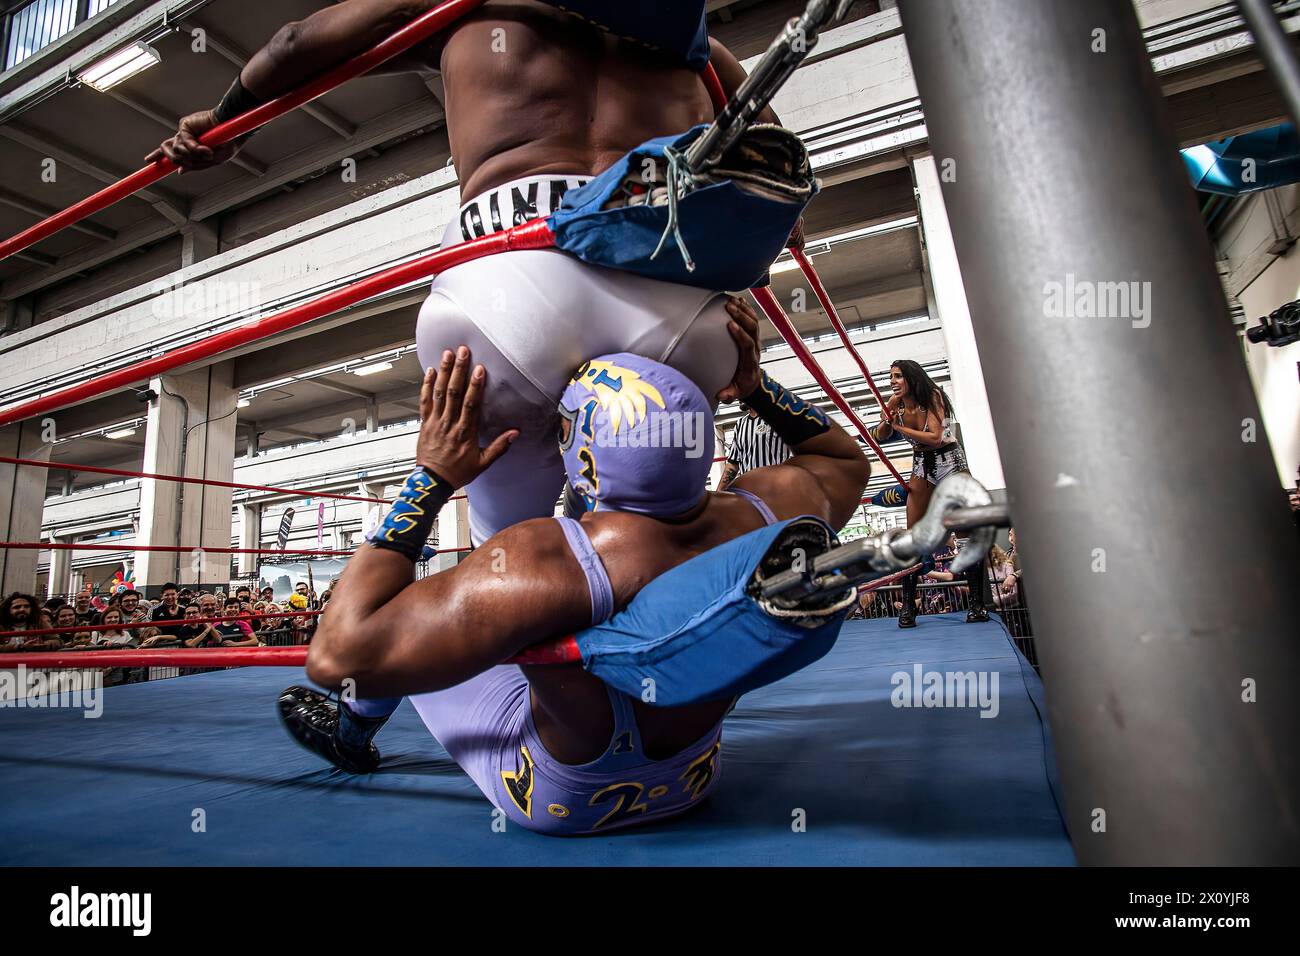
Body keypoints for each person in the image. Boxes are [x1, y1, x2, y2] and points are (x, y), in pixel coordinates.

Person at [149, 0, 801, 548]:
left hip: (507, 281)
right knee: (656, 538)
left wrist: (228, 121)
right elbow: (773, 153)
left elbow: (295, 43)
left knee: (508, 544)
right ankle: (652, 679)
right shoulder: (702, 53)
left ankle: (517, 673)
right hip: (677, 302)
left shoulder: (477, 8)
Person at [280, 296, 871, 834]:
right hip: (693, 778)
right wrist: (757, 387)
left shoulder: (550, 557)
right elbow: (844, 460)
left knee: (413, 625)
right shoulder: (766, 511)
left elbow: (339, 655)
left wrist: (430, 479)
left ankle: (350, 737)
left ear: (585, 451)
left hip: (564, 795)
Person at [872, 360, 989, 628]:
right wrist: (886, 422)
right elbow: (880, 435)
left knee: (965, 533)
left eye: (898, 376)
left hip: (951, 462)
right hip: (922, 465)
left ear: (911, 378)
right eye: (891, 376)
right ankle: (909, 607)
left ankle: (977, 604)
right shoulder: (895, 403)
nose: (892, 381)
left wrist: (898, 428)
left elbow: (937, 437)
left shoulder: (933, 396)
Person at [718, 401, 793, 490]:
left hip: (775, 489)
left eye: (743, 391)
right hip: (749, 493)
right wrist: (719, 491)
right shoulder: (741, 424)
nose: (739, 397)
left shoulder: (777, 417)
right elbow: (733, 463)